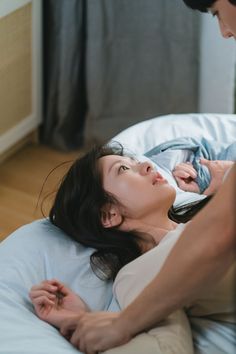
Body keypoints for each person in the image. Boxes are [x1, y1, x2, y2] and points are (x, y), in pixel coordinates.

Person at [29, 143, 235, 353]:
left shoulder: (209, 217)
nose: (147, 165)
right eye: (124, 169)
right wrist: (85, 323)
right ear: (108, 215)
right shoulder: (138, 271)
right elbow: (165, 346)